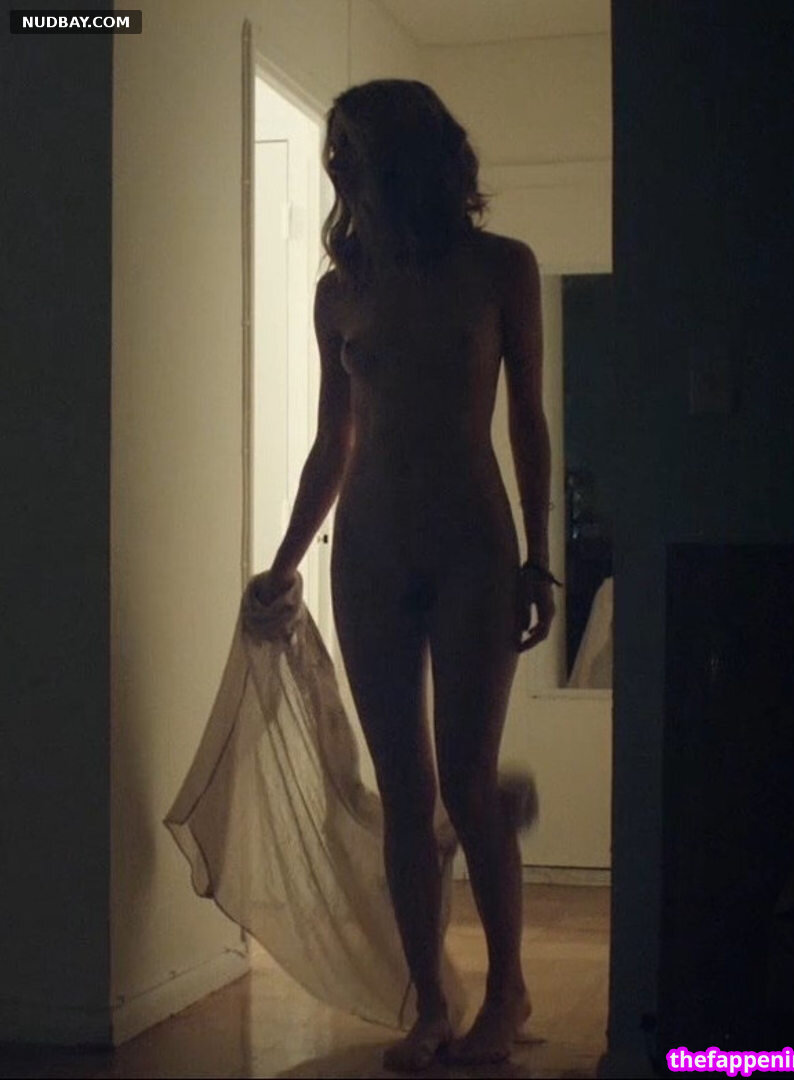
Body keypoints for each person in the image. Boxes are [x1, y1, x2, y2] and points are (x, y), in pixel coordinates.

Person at [254, 78, 560, 1071]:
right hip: (370, 549)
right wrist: (284, 561)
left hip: (473, 543)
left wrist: (539, 557)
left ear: (412, 155)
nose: (341, 165)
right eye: (334, 150)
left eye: (357, 147)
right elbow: (332, 440)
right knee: (404, 787)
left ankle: (506, 993)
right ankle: (426, 1001)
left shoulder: (500, 267)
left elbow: (527, 420)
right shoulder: (339, 292)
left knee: (467, 783)